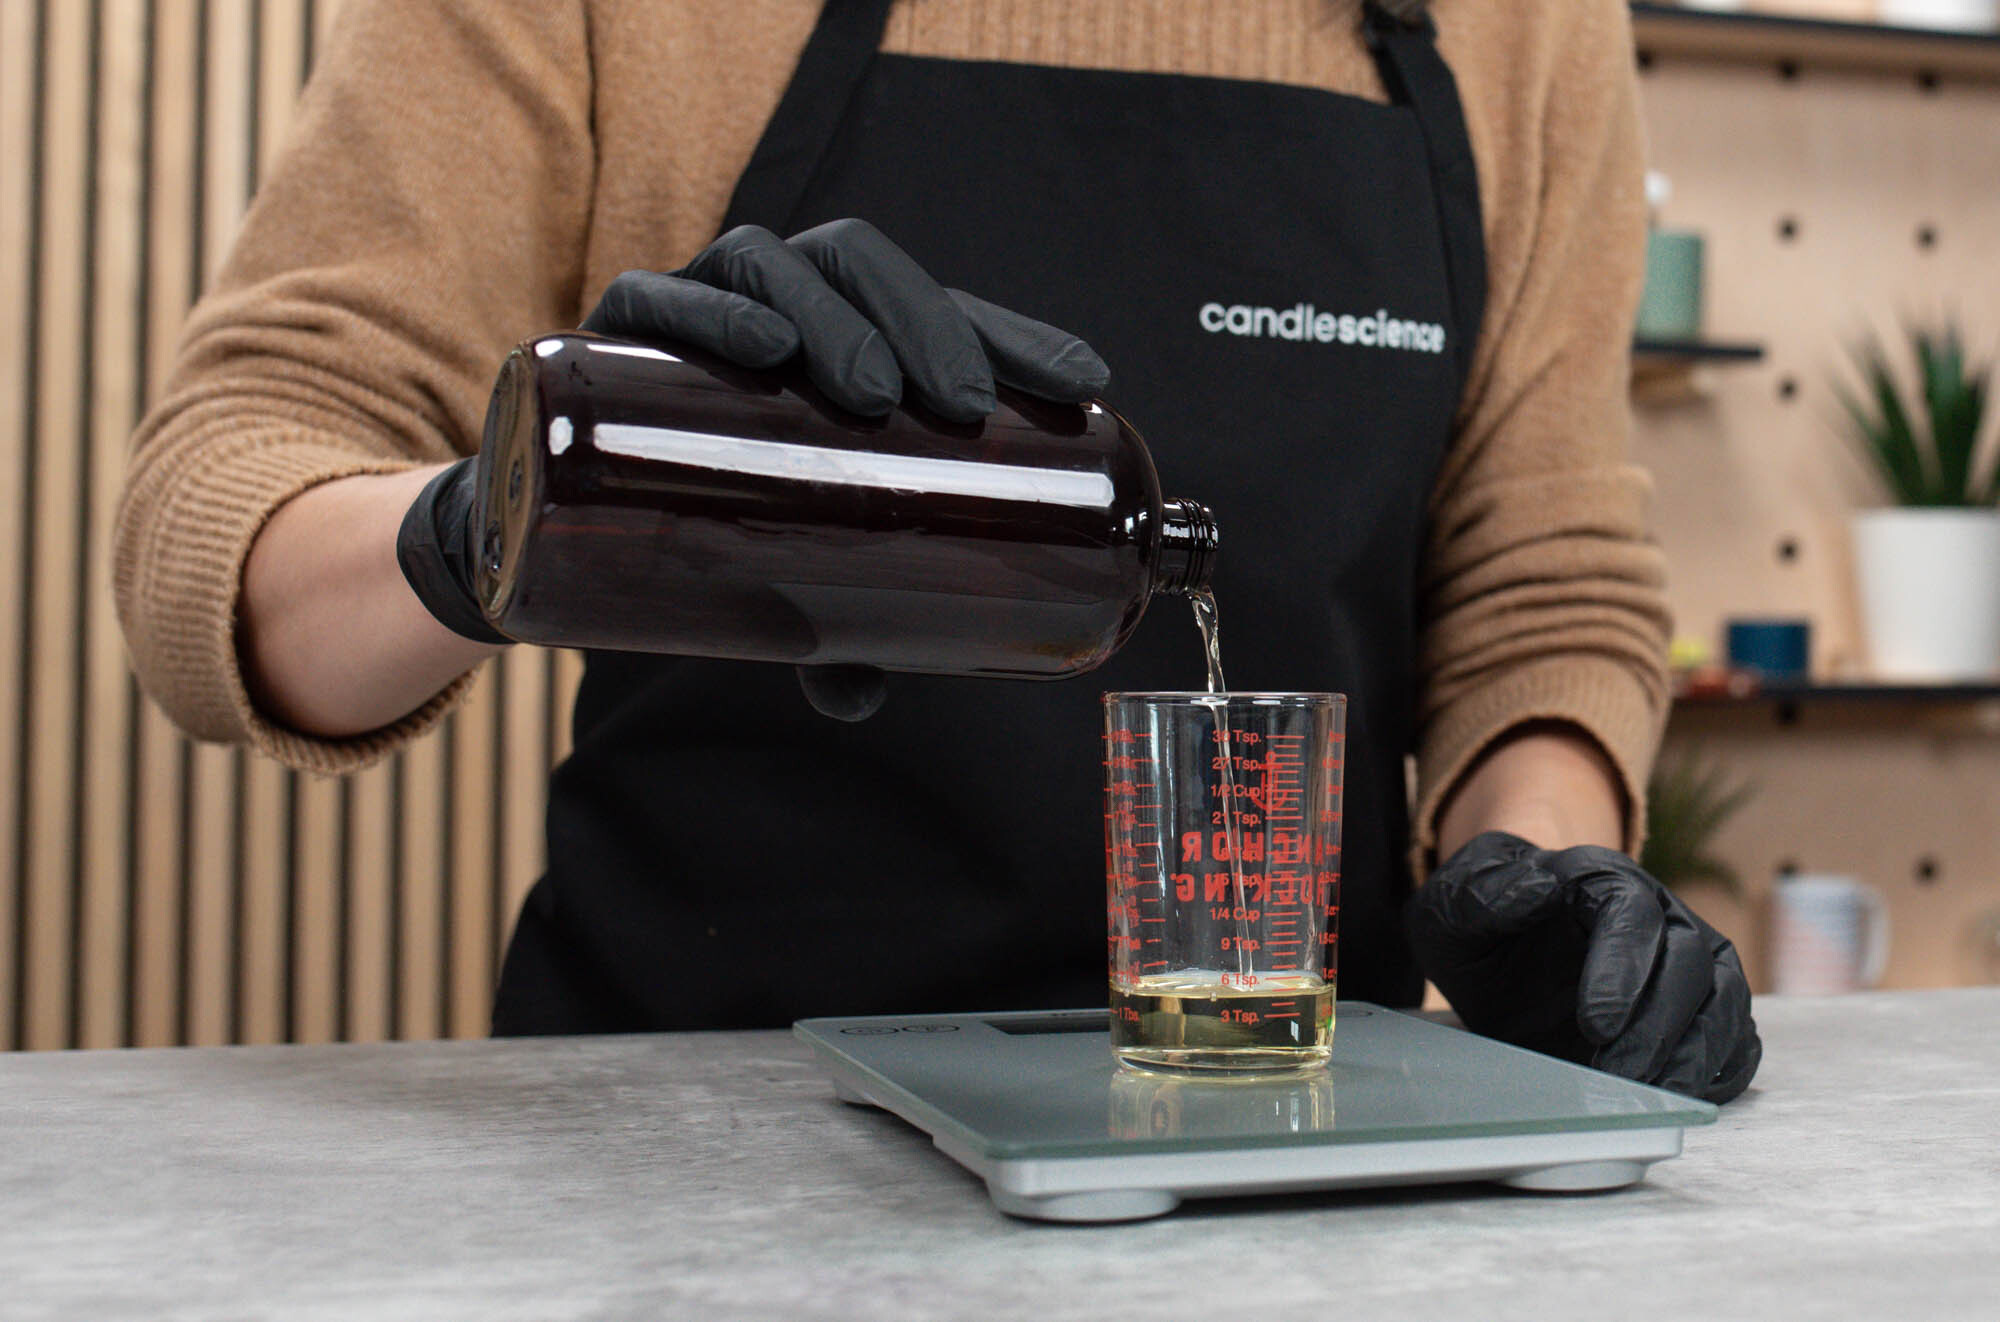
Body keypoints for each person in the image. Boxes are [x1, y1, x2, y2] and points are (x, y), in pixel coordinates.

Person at [115, 0, 1760, 1101]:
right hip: (691, 1153)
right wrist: (493, 524)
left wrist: (1540, 879)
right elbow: (224, 495)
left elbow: (1539, 568)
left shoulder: (1513, 18)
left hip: (1287, 1144)